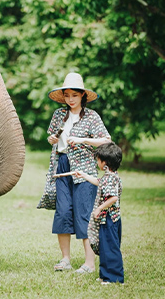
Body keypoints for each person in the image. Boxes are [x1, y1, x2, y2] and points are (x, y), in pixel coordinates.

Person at [45, 72, 111, 273]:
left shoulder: (92, 117)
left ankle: (89, 263)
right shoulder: (58, 115)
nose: (70, 99)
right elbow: (51, 136)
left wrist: (83, 140)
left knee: (84, 214)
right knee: (63, 212)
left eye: (74, 95)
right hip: (62, 166)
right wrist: (52, 140)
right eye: (67, 95)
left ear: (82, 95)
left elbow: (106, 140)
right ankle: (65, 259)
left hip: (84, 169)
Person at [75, 142, 124, 285]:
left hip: (110, 219)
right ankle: (105, 275)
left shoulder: (110, 178)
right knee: (104, 247)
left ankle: (114, 278)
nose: (97, 163)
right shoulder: (110, 176)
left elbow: (113, 197)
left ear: (105, 163)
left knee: (110, 248)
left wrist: (99, 208)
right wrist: (84, 175)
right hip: (106, 219)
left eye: (98, 160)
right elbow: (98, 182)